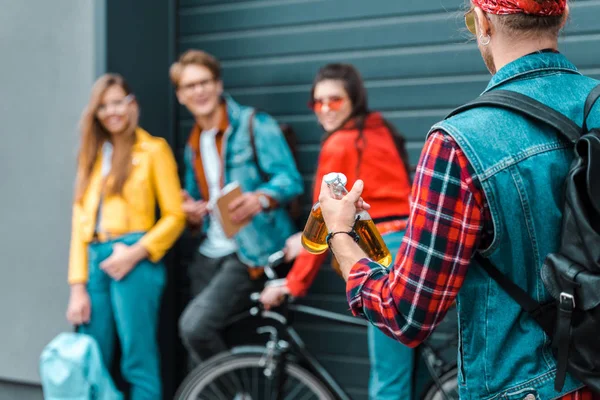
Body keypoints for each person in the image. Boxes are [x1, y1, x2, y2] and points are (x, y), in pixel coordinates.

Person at [316, 1, 600, 399]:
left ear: (483, 23)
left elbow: (405, 315)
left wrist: (341, 235)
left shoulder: (458, 143)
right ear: (562, 18)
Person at [260, 63, 416, 400]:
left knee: (390, 382)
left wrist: (293, 283)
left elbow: (326, 222)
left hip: (381, 253)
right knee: (404, 370)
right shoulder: (381, 129)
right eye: (318, 102)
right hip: (411, 245)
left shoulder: (339, 143)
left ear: (353, 100)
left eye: (335, 100)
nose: (326, 109)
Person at [170, 50, 303, 364]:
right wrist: (190, 209)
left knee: (195, 327)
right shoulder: (195, 142)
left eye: (205, 82)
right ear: (180, 96)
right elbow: (196, 197)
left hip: (249, 251)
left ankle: (238, 395)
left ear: (218, 85)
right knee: (196, 354)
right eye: (190, 86)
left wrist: (260, 198)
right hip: (209, 253)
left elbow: (290, 179)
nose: (199, 91)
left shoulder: (254, 124)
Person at [65, 74, 186, 400]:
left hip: (135, 258)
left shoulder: (152, 150)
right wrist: (77, 287)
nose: (111, 111)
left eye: (117, 102)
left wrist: (135, 253)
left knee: (138, 357)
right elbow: (79, 225)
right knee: (93, 357)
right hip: (95, 260)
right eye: (103, 106)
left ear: (131, 103)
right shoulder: (91, 156)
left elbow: (175, 216)